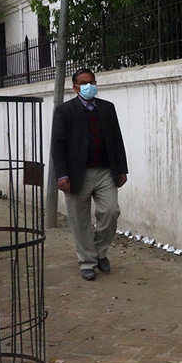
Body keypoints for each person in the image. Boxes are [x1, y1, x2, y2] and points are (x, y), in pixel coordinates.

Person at [51, 68, 128, 280]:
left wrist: (122, 168)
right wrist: (61, 175)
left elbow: (117, 139)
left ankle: (99, 252)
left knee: (111, 211)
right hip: (77, 174)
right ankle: (87, 262)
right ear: (75, 87)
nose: (89, 86)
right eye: (84, 83)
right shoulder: (65, 111)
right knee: (79, 220)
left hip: (105, 171)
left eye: (92, 82)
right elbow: (58, 145)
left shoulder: (107, 108)